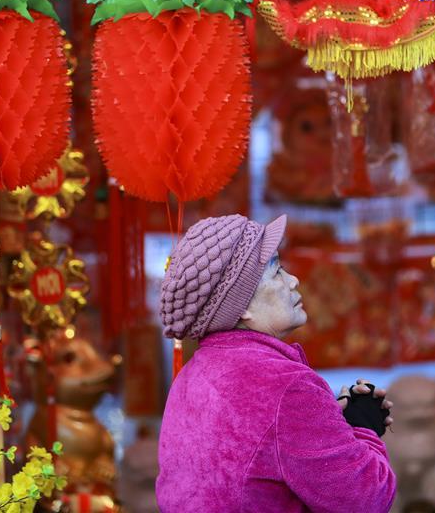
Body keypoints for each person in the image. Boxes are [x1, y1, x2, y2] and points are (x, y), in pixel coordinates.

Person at [155, 214, 396, 512]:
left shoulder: (190, 376)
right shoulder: (285, 384)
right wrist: (364, 428)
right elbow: (366, 498)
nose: (293, 280)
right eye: (277, 270)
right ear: (241, 307)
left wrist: (334, 429)